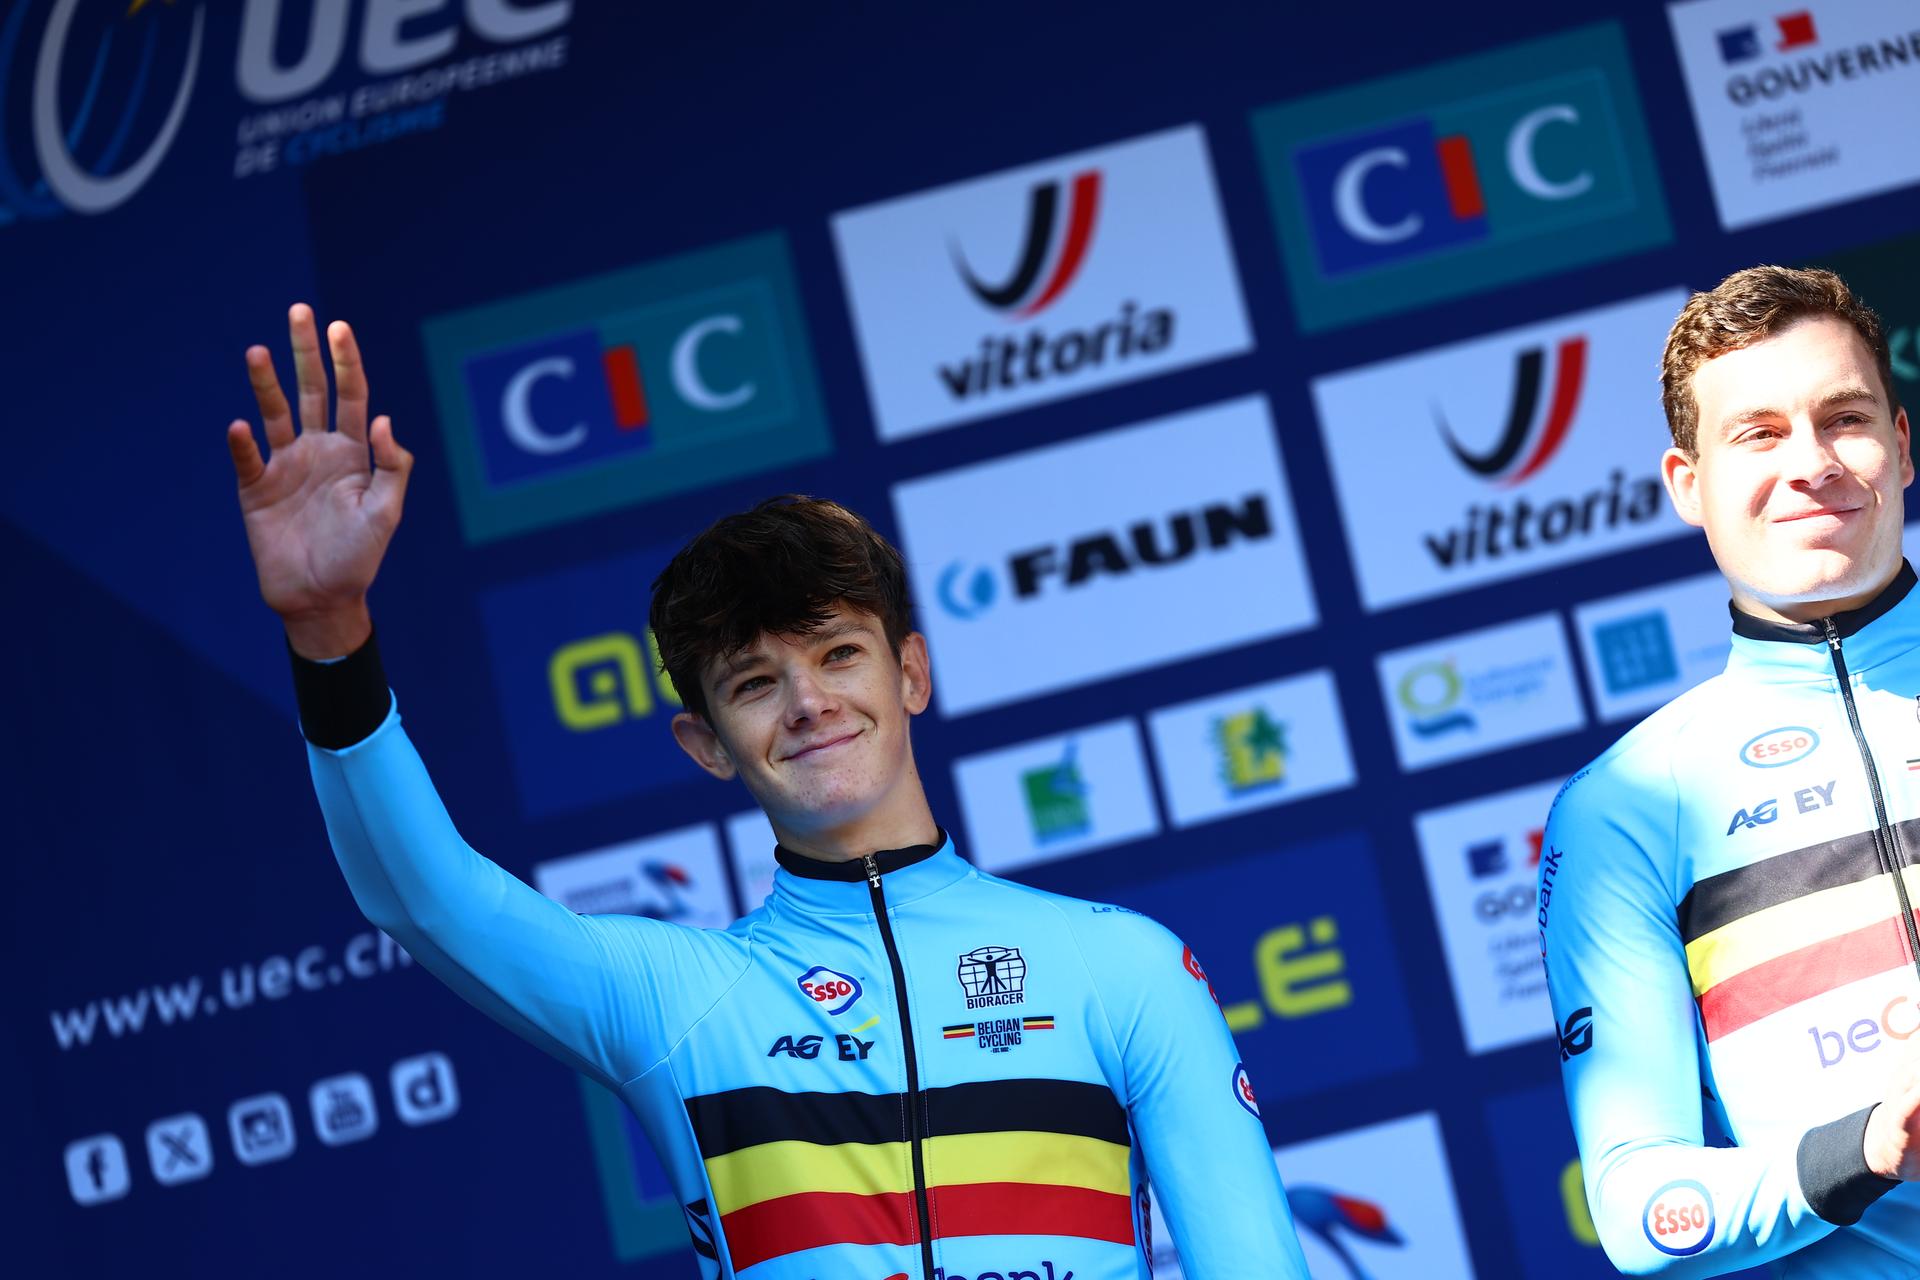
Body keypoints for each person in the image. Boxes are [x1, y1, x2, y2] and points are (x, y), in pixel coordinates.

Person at [225, 305, 1310, 1279]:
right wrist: (329, 634)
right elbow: (427, 898)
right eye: (755, 682)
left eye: (839, 653)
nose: (808, 702)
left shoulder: (1120, 966)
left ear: (911, 673)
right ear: (705, 743)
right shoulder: (677, 1000)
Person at [1542, 265, 1920, 1276]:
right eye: (1758, 434)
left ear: (1901, 444)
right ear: (1687, 485)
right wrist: (1869, 1145)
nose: (1812, 464)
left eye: (1845, 419)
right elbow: (1640, 1212)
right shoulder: (1625, 807)